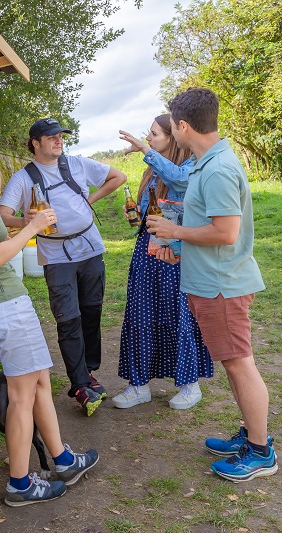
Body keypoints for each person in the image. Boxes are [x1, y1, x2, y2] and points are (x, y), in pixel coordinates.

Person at [0, 129, 99, 505]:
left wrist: (14, 222)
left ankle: (63, 460)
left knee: (39, 382)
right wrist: (32, 228)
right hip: (7, 309)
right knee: (23, 398)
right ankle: (20, 484)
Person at [148, 87, 276, 482]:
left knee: (240, 365)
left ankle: (260, 452)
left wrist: (174, 231)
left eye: (173, 125)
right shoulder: (209, 162)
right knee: (235, 365)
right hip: (212, 281)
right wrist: (179, 247)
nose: (173, 131)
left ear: (183, 126)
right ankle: (251, 436)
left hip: (223, 286)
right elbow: (209, 226)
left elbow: (225, 233)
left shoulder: (217, 168)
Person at [0, 118, 127, 416]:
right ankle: (80, 384)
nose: (59, 141)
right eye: (51, 137)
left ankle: (89, 371)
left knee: (91, 311)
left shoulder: (78, 164)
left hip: (90, 248)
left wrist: (89, 200)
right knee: (68, 319)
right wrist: (24, 221)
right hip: (56, 257)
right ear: (36, 143)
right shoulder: (23, 178)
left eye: (61, 136)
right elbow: (2, 214)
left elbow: (117, 176)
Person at [112, 114, 213, 410]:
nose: (149, 138)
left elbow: (179, 180)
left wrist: (145, 150)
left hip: (175, 251)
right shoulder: (153, 172)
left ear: (172, 138)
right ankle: (139, 385)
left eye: (154, 134)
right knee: (140, 314)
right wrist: (136, 213)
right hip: (147, 250)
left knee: (178, 314)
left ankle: (190, 385)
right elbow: (152, 213)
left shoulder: (190, 166)